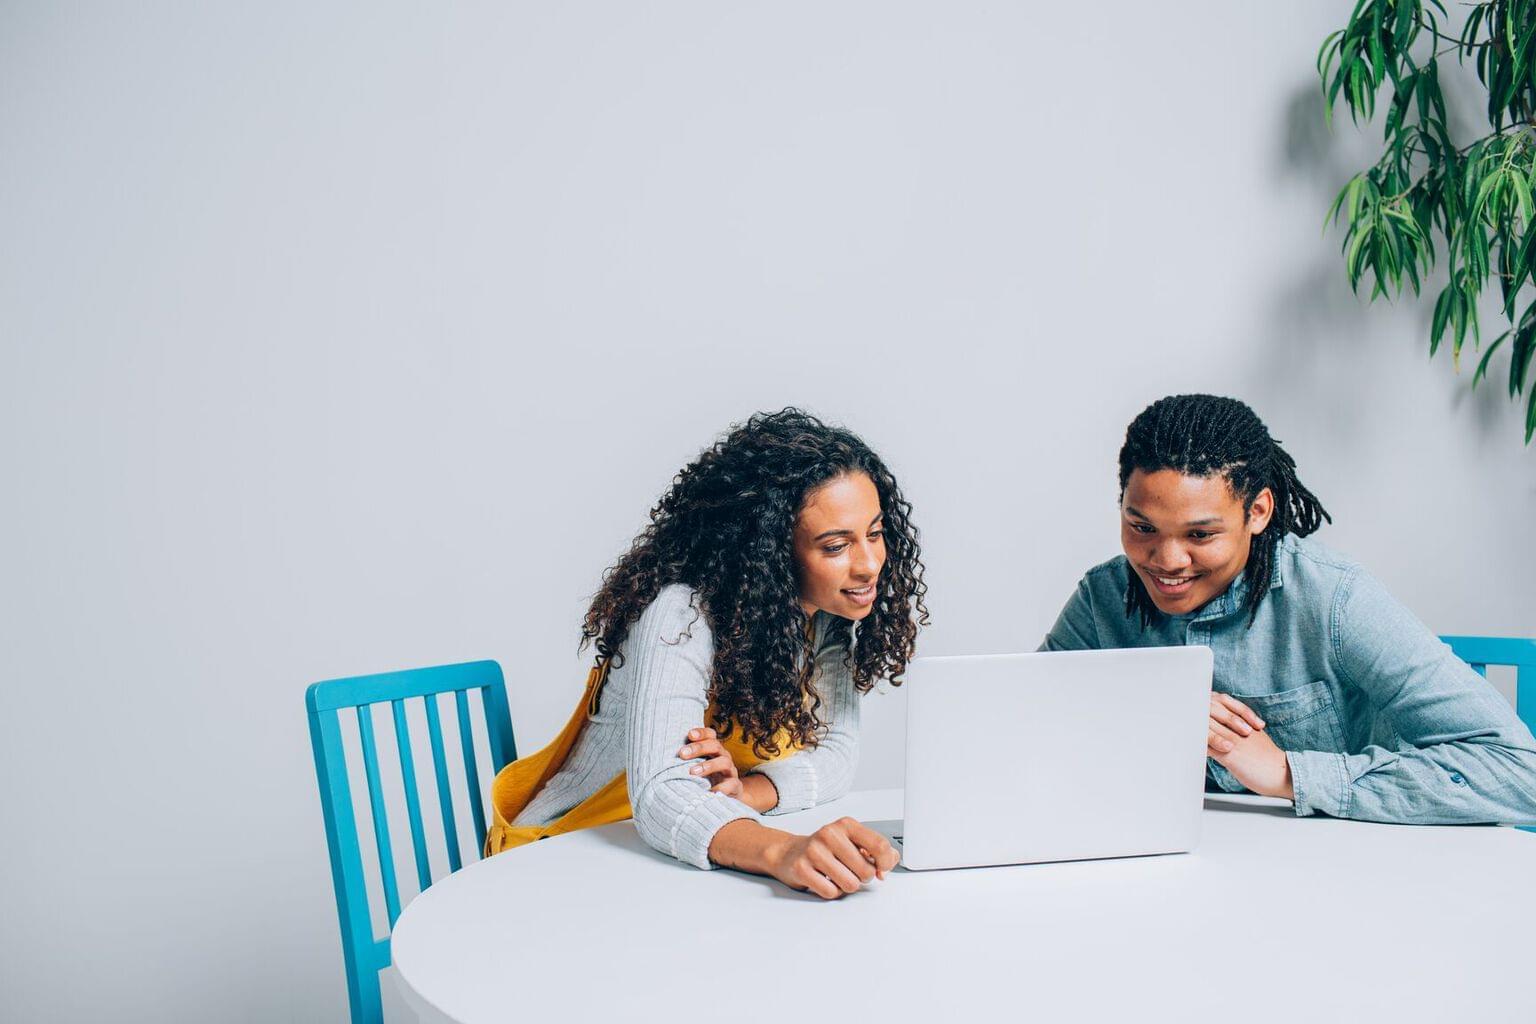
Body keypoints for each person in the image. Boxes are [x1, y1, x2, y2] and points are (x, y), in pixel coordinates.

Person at [485, 408, 928, 898]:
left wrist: (747, 792)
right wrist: (783, 851)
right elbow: (662, 795)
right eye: (835, 546)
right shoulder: (681, 615)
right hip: (563, 858)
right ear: (772, 551)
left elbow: (837, 759)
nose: (869, 564)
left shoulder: (824, 620)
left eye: (875, 533)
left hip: (680, 861)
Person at [1042, 393, 1536, 825]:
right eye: (1142, 527)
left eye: (1200, 534)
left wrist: (1287, 773)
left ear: (1257, 512)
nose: (1167, 562)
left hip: (1342, 879)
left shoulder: (1336, 601)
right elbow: (1023, 730)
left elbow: (1520, 773)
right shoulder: (1104, 597)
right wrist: (1142, 702)